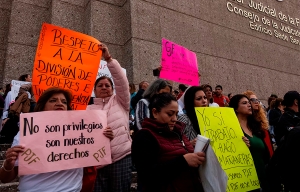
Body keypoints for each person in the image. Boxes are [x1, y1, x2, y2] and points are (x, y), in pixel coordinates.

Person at [0, 87, 108, 191]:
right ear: (42, 106)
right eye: (53, 100)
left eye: (64, 102)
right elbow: (5, 178)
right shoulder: (27, 133)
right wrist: (8, 165)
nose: (60, 103)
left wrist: (103, 138)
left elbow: (94, 157)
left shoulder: (81, 133)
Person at [132, 93, 206, 192]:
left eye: (176, 114)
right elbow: (147, 176)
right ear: (155, 112)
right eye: (170, 114)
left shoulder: (178, 132)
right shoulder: (145, 136)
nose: (175, 119)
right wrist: (183, 161)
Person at [87, 44, 132, 192]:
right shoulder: (87, 109)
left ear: (113, 89)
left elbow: (122, 82)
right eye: (100, 85)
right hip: (96, 162)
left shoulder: (121, 102)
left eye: (108, 85)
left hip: (120, 158)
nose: (104, 87)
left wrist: (109, 59)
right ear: (94, 91)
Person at [229, 94, 273, 192]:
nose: (249, 105)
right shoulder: (231, 130)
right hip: (245, 180)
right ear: (236, 108)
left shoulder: (256, 127)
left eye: (249, 102)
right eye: (244, 103)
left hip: (263, 176)